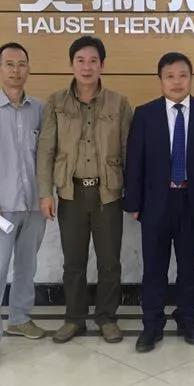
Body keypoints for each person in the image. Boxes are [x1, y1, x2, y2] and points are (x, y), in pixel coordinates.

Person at [124, 52, 194, 353]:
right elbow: (135, 161)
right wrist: (133, 202)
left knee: (188, 265)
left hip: (192, 201)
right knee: (153, 267)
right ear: (160, 80)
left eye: (183, 75)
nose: (177, 81)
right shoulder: (145, 114)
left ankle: (187, 319)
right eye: (170, 76)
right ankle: (152, 324)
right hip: (155, 202)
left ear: (191, 78)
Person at [37, 36, 133, 344]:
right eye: (80, 60)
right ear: (71, 64)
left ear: (102, 65)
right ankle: (74, 318)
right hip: (71, 194)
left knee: (110, 262)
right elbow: (45, 150)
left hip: (108, 194)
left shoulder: (119, 103)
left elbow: (130, 150)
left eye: (93, 61)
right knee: (73, 262)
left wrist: (133, 195)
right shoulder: (56, 103)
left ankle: (106, 317)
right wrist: (45, 193)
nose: (87, 67)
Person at [0, 42, 46, 367]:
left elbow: (47, 156)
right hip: (0, 208)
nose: (16, 70)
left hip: (34, 204)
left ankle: (19, 317)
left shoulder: (40, 109)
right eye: (10, 64)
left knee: (27, 266)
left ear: (28, 68)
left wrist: (47, 195)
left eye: (22, 64)